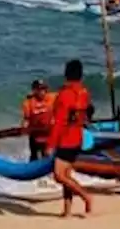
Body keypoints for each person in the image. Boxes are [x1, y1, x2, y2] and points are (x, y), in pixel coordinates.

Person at [45, 59, 95, 217]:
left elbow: (59, 122)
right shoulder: (84, 92)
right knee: (66, 176)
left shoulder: (64, 95)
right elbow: (87, 114)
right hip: (77, 138)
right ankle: (66, 211)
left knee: (59, 175)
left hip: (66, 140)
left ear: (66, 74)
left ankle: (86, 196)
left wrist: (50, 144)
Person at [20, 79, 57, 160]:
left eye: (44, 89)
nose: (42, 92)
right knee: (34, 156)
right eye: (40, 89)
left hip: (49, 134)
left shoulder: (52, 97)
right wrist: (24, 128)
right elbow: (26, 119)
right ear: (34, 90)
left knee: (47, 155)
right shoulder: (28, 102)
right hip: (35, 135)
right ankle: (30, 170)